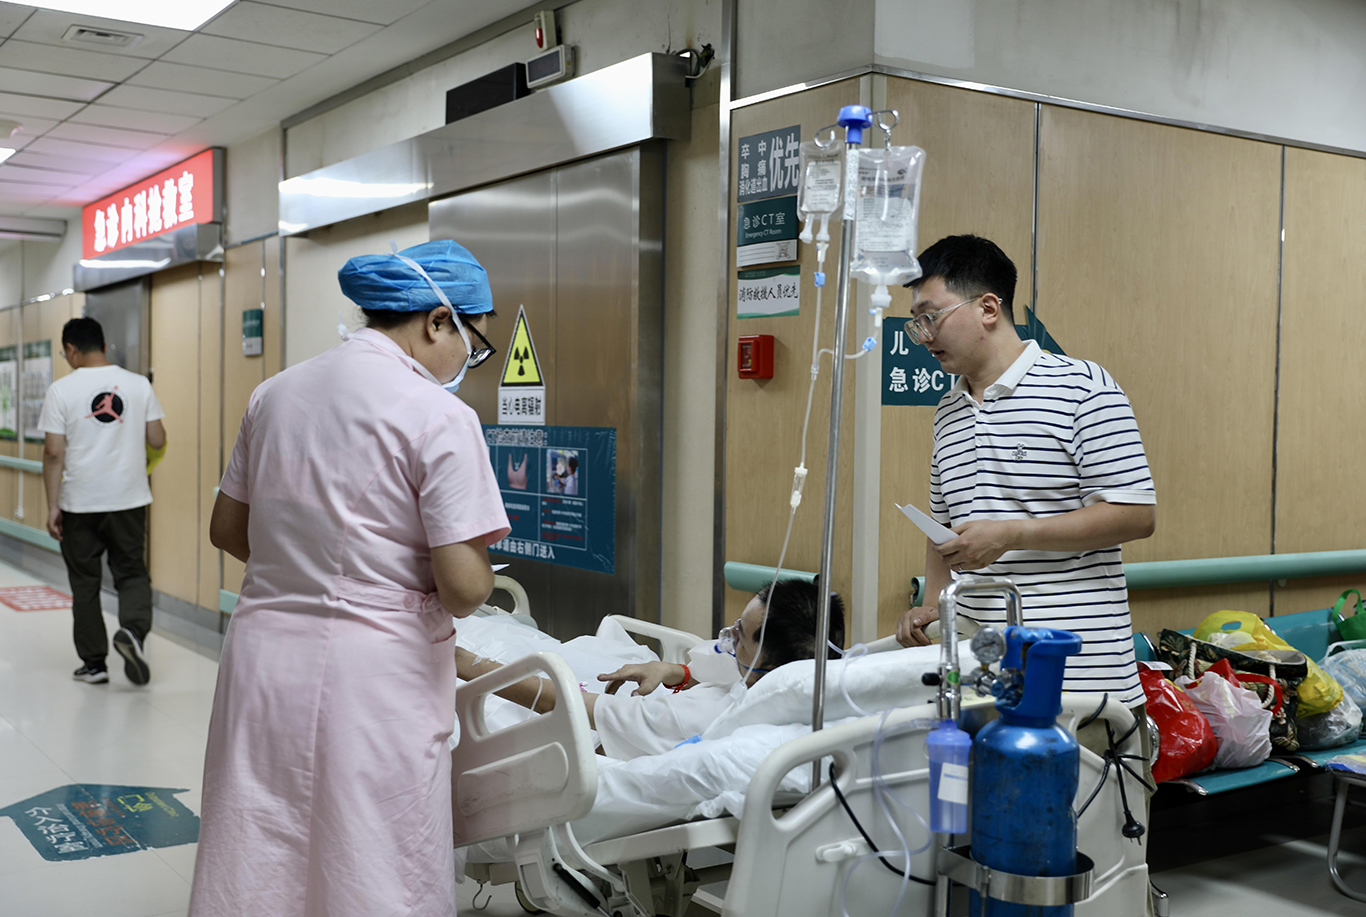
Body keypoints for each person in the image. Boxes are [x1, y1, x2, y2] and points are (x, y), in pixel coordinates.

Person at [189, 240, 510, 917]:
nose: (467, 361)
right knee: (374, 860)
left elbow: (227, 529)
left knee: (259, 844)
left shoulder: (275, 393)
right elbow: (464, 588)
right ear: (438, 322)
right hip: (372, 677)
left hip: (263, 660)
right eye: (474, 343)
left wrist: (301, 567)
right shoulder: (438, 415)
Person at [893, 235, 1156, 710]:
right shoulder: (948, 411)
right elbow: (942, 532)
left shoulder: (1083, 387)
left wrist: (1012, 533)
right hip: (980, 676)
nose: (924, 336)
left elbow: (1135, 514)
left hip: (1078, 678)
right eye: (917, 322)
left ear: (988, 308)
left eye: (931, 317)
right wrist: (931, 608)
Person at [456, 578, 846, 759]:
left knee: (494, 655)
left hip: (583, 735)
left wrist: (464, 663)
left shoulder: (701, 718)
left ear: (770, 664)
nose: (727, 638)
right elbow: (724, 667)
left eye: (739, 637)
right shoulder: (800, 687)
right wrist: (677, 672)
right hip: (617, 698)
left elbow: (557, 702)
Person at [40, 317, 166, 686]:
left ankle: (94, 664)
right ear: (105, 346)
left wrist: (52, 506)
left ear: (71, 350)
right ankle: (133, 632)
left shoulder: (61, 390)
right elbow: (157, 439)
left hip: (79, 502)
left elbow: (53, 453)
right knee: (131, 572)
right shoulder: (139, 384)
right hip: (129, 499)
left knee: (85, 582)